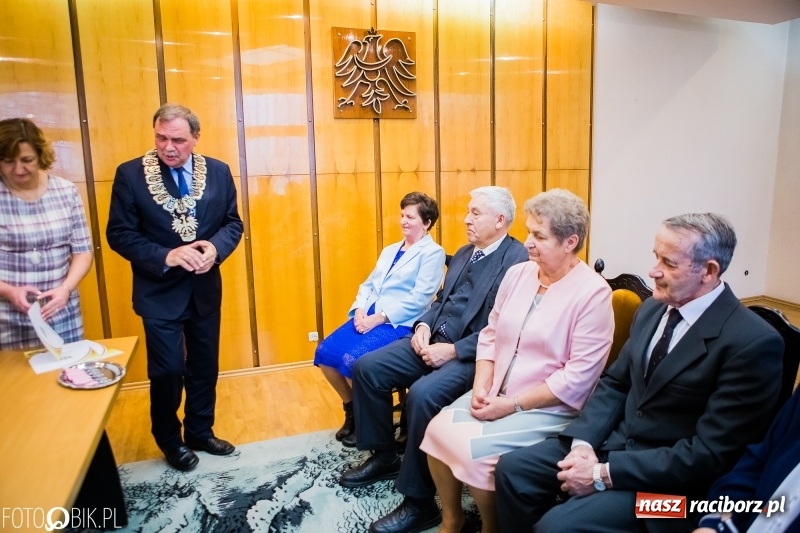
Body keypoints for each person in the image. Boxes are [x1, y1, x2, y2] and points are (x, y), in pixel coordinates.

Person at [494, 213, 784, 533]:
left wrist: (604, 473)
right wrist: (583, 444)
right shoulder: (653, 308)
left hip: (678, 493)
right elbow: (616, 384)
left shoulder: (751, 342)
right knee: (513, 469)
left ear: (709, 271)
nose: (654, 271)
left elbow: (710, 455)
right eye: (655, 256)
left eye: (669, 263)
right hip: (613, 446)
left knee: (558, 527)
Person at [420, 189, 615, 533]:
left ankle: (492, 528)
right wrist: (482, 386)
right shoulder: (519, 275)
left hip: (548, 406)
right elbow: (490, 335)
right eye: (528, 232)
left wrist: (509, 405)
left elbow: (578, 377)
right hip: (496, 390)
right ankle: (453, 519)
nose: (527, 242)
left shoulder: (593, 293)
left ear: (570, 242)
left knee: (474, 450)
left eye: (539, 236)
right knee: (436, 429)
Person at [340, 186, 529, 533]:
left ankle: (419, 503)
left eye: (475, 213)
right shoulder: (462, 253)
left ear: (501, 220)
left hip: (473, 354)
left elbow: (505, 329)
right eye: (468, 211)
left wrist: (454, 350)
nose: (465, 219)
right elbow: (441, 299)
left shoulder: (517, 261)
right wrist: (424, 326)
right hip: (434, 340)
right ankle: (384, 456)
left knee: (424, 396)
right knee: (367, 368)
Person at [106, 103, 243, 472]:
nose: (168, 147)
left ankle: (200, 430)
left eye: (178, 140)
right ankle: (169, 439)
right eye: (161, 138)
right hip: (158, 291)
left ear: (195, 139)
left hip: (204, 289)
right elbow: (118, 234)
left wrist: (215, 248)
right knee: (167, 371)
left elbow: (233, 224)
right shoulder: (130, 175)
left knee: (204, 366)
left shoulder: (218, 171)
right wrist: (167, 256)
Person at [315, 192, 445, 443]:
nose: (403, 221)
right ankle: (352, 410)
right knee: (325, 353)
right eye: (402, 215)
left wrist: (379, 318)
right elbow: (368, 285)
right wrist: (361, 310)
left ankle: (370, 421)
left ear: (427, 222)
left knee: (352, 360)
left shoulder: (433, 253)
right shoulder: (390, 250)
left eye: (410, 216)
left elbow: (419, 299)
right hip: (369, 315)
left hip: (400, 322)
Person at [0, 118, 93, 350]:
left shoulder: (66, 191)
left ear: (40, 156)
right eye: (8, 161)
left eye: (27, 160)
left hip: (60, 310)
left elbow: (83, 252)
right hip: (7, 315)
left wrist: (65, 290)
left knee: (67, 380)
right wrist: (10, 291)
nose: (18, 169)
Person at [693, 387, 800, 533]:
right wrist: (717, 524)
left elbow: (707, 452)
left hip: (685, 491)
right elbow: (758, 464)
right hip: (723, 513)